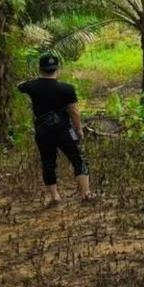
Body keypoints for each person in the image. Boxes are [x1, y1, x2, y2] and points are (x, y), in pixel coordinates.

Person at [17, 54, 91, 206]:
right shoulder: (67, 88)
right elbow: (74, 111)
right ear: (57, 68)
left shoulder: (32, 86)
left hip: (43, 131)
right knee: (77, 159)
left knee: (48, 162)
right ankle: (86, 194)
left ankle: (55, 197)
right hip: (64, 130)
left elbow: (20, 85)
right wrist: (79, 130)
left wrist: (36, 80)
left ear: (40, 69)